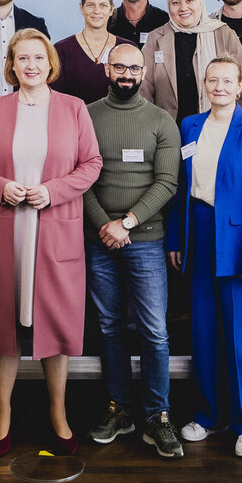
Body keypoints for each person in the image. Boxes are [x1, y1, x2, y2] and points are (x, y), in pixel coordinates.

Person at [0, 28, 102, 457]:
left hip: (54, 226)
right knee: (2, 324)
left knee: (56, 326)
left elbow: (91, 163)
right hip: (6, 225)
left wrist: (54, 191)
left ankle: (58, 414)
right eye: (22, 58)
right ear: (11, 65)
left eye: (38, 59)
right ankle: (2, 415)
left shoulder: (74, 108)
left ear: (50, 64)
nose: (30, 65)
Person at [166, 56, 242, 459]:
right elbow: (181, 190)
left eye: (227, 80)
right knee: (204, 333)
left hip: (239, 241)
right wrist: (177, 239)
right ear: (204, 84)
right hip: (199, 234)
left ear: (240, 85)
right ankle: (208, 415)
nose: (219, 86)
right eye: (213, 80)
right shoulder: (190, 126)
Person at [81, 42, 183, 458]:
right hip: (99, 238)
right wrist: (104, 224)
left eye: (133, 68)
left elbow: (166, 183)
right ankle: (119, 408)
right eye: (119, 66)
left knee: (154, 332)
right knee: (109, 327)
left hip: (144, 240)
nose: (126, 74)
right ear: (107, 69)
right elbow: (80, 178)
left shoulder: (162, 121)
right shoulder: (85, 116)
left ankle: (157, 415)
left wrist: (125, 223)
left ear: (144, 73)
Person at [142, 0, 242, 123]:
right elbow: (144, 89)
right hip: (168, 128)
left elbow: (241, 88)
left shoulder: (223, 33)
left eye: (189, 0)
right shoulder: (156, 38)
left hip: (218, 127)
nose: (183, 7)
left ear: (200, 1)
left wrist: (238, 126)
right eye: (175, 2)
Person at [53, 0, 119, 104]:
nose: (97, 11)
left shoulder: (126, 48)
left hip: (118, 121)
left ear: (111, 9)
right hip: (74, 121)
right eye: (90, 5)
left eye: (103, 5)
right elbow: (57, 99)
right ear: (81, 8)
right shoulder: (61, 50)